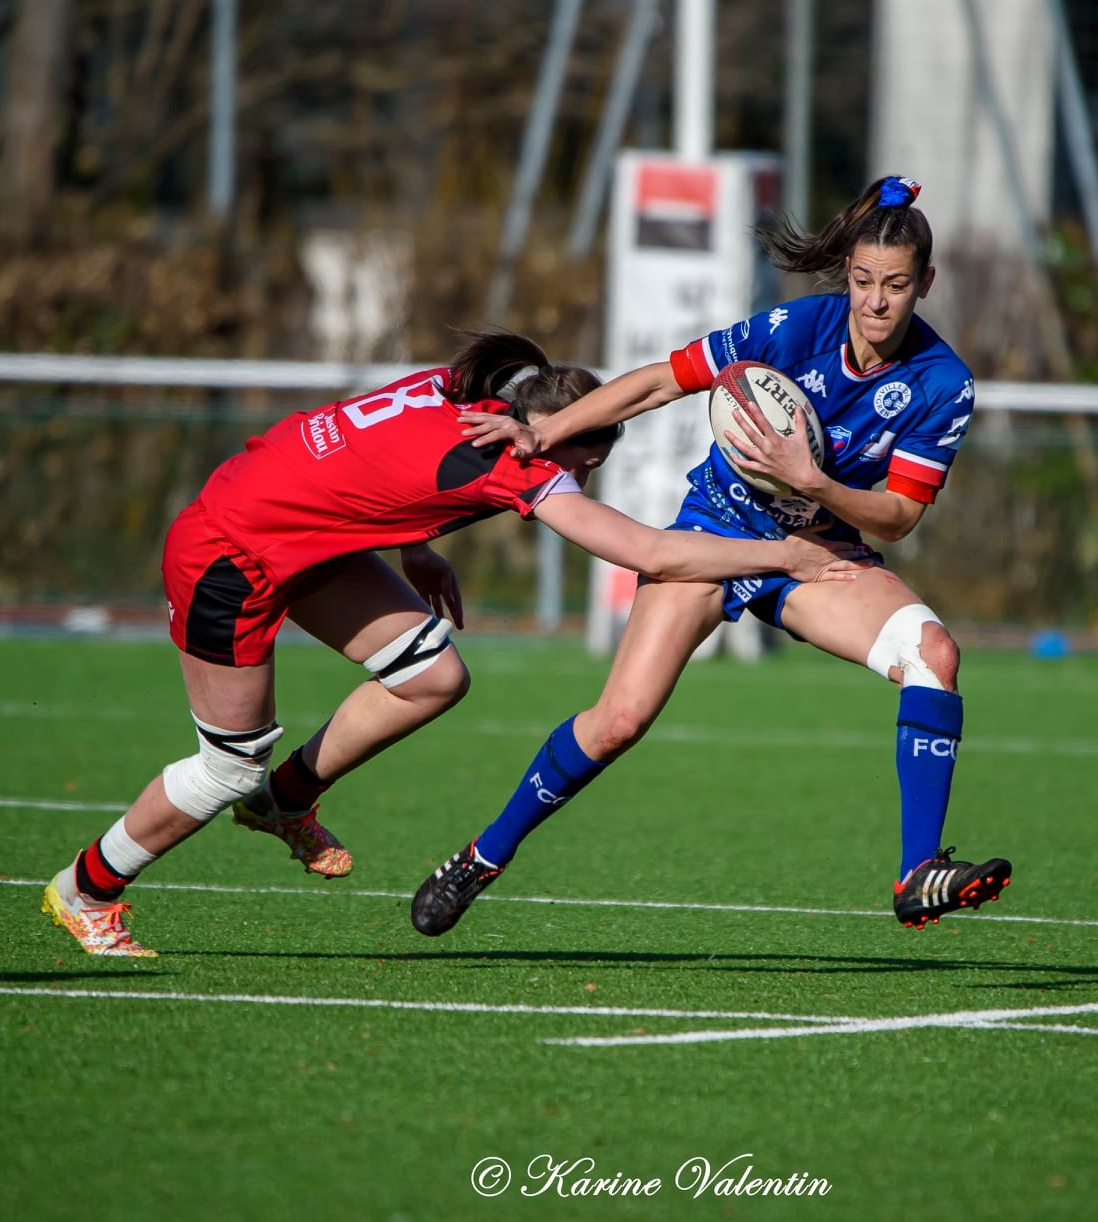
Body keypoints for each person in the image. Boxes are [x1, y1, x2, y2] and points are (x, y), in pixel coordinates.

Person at [41, 331, 867, 957]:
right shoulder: (515, 462)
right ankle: (86, 889)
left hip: (292, 529)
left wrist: (417, 543)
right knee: (228, 762)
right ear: (563, 436)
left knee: (433, 676)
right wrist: (787, 554)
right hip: (232, 554)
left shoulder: (460, 388)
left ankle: (286, 802)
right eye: (586, 462)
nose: (578, 479)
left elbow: (376, 462)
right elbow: (653, 553)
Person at [415, 176, 1010, 936]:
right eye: (863, 282)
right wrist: (543, 434)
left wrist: (813, 482)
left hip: (816, 551)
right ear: (848, 278)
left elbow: (896, 518)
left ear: (924, 283)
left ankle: (918, 871)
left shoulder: (942, 383)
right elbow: (660, 381)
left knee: (934, 654)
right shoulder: (797, 327)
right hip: (716, 531)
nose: (876, 302)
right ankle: (483, 855)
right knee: (619, 721)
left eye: (896, 286)